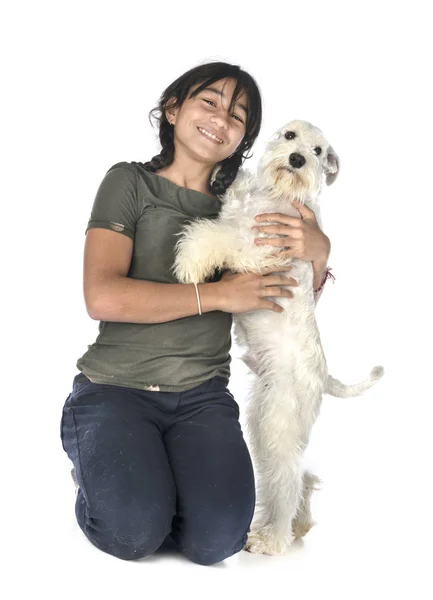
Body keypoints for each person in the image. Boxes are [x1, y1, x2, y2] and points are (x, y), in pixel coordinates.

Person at [60, 61, 331, 566]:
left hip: (201, 398)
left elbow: (294, 298)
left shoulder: (242, 202)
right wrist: (221, 295)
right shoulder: (130, 182)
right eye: (209, 102)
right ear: (172, 109)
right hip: (116, 388)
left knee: (218, 542)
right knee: (132, 534)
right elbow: (102, 296)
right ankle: (101, 476)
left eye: (238, 115)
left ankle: (152, 482)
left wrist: (319, 248)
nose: (221, 119)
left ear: (244, 138)